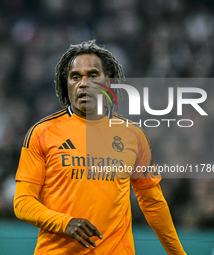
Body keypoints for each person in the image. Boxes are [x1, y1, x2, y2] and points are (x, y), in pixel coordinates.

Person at [14, 40, 186, 255]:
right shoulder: (43, 133)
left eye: (93, 75)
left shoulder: (132, 135)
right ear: (66, 83)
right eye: (75, 77)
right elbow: (22, 203)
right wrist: (64, 223)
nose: (83, 83)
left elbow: (153, 202)